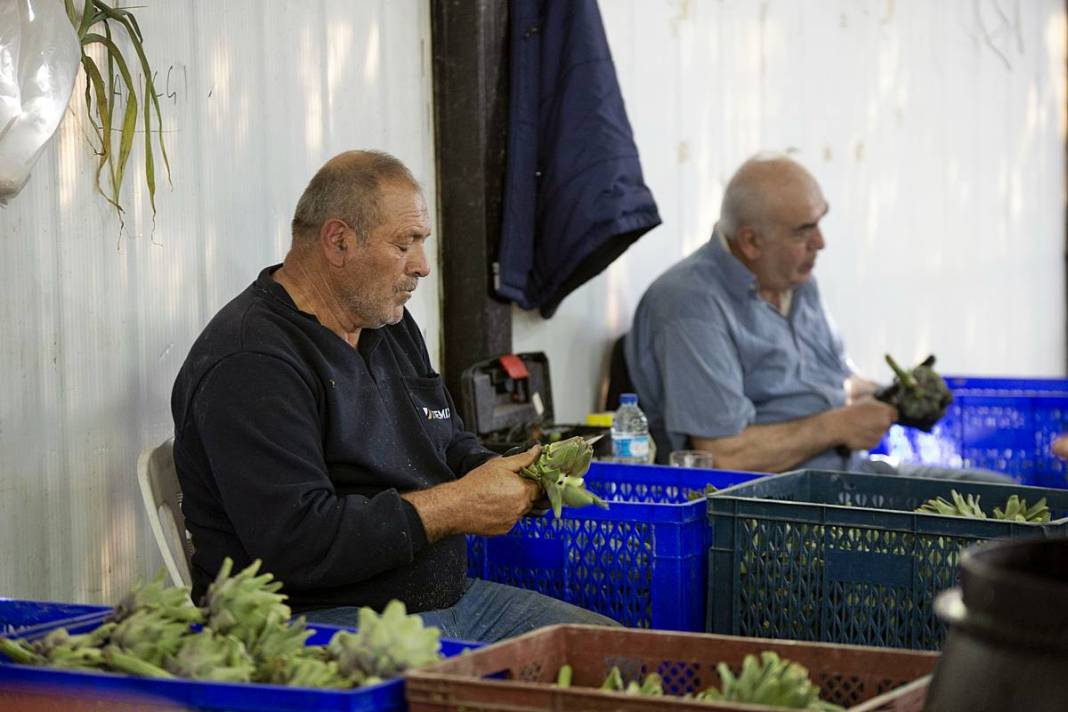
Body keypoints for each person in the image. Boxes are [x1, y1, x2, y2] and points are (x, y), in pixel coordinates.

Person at [171, 150, 616, 642]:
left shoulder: (387, 323)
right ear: (338, 241)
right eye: (406, 244)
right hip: (316, 621)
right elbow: (299, 543)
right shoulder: (252, 361)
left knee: (628, 658)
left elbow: (445, 443)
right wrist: (457, 505)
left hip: (446, 600)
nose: (422, 267)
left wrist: (517, 473)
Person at [625, 154, 1008, 482]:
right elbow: (724, 456)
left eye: (819, 222)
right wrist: (838, 426)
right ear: (751, 242)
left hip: (848, 474)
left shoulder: (794, 281)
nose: (821, 242)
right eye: (803, 230)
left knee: (1006, 494)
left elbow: (835, 382)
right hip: (776, 508)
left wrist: (895, 394)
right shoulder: (691, 306)